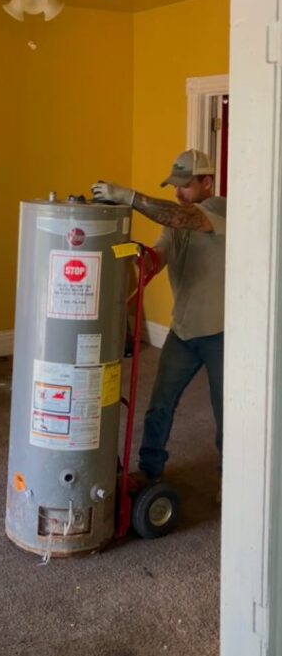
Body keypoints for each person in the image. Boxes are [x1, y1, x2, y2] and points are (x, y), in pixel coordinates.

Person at [92, 149, 226, 500]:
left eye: (185, 185)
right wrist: (130, 259)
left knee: (227, 411)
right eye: (175, 186)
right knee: (159, 405)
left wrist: (131, 198)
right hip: (182, 331)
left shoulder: (220, 210)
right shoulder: (176, 224)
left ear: (206, 182)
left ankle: (234, 479)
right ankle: (150, 470)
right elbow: (159, 256)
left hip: (222, 334)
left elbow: (183, 218)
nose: (178, 193)